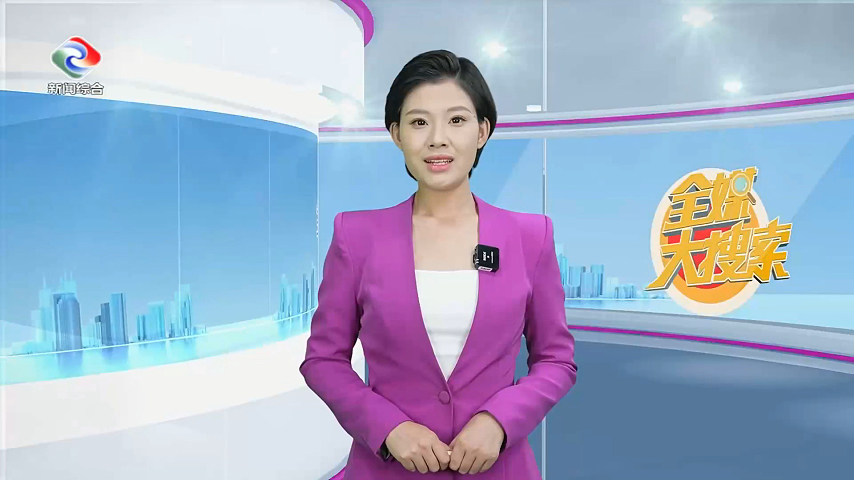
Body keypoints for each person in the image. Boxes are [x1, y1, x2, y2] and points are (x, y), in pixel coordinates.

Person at [300, 50, 578, 479]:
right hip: (387, 470)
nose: (437, 139)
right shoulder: (356, 236)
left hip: (499, 468)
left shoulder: (530, 237)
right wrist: (388, 428)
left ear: (482, 131)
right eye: (418, 122)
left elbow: (557, 360)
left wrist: (499, 422)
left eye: (456, 120)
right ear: (396, 134)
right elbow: (323, 360)